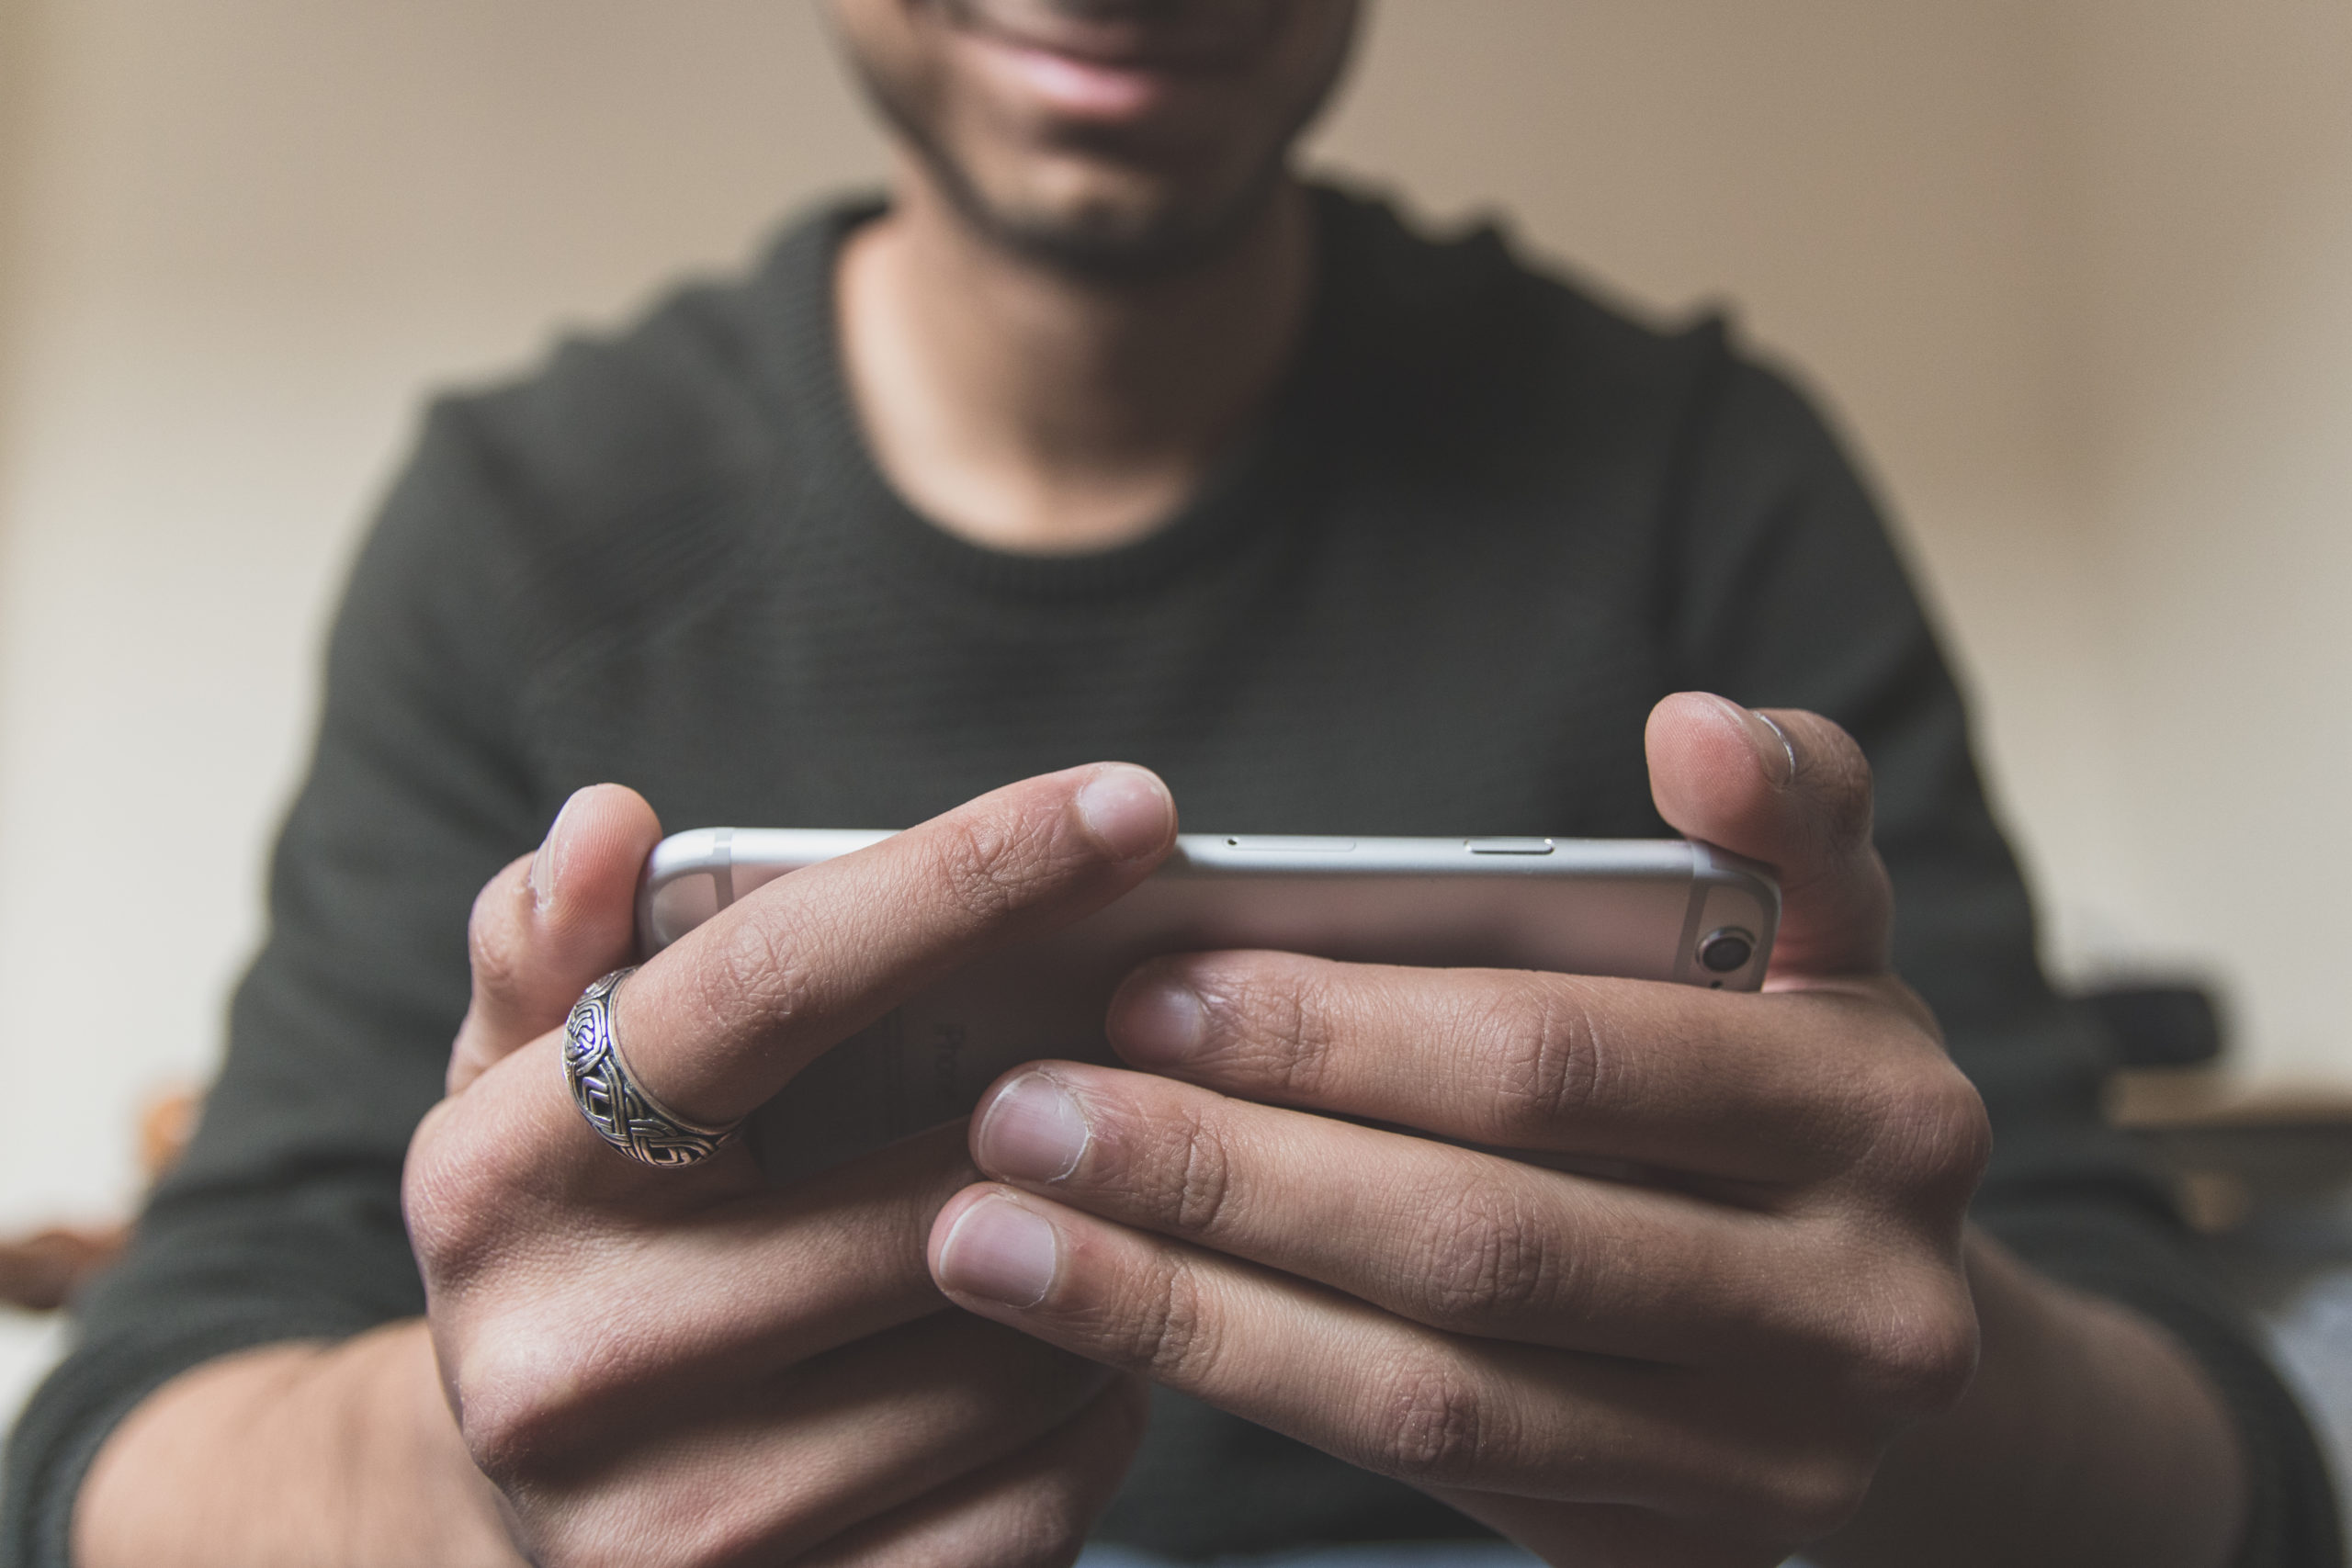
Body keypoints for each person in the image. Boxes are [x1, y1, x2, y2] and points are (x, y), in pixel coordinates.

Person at [4, 2, 2336, 1564]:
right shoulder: (513, 524)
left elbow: (2231, 1463)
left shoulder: (1699, 471)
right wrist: (480, 1472)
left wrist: (1915, 1394)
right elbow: (110, 1459)